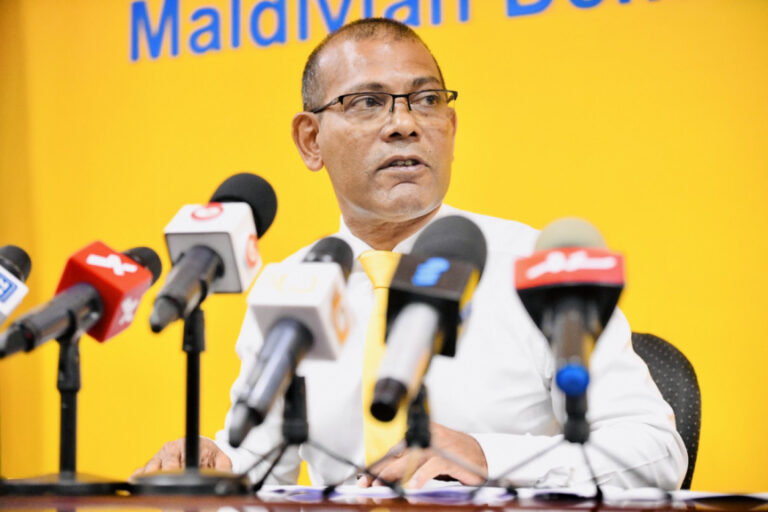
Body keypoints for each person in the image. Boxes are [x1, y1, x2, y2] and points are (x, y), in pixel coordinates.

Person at [134, 18, 687, 490]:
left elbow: (656, 450)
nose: (405, 124)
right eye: (368, 102)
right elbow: (261, 463)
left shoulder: (537, 267)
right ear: (311, 140)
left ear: (450, 125)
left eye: (427, 101)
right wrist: (217, 461)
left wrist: (488, 457)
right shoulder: (291, 284)